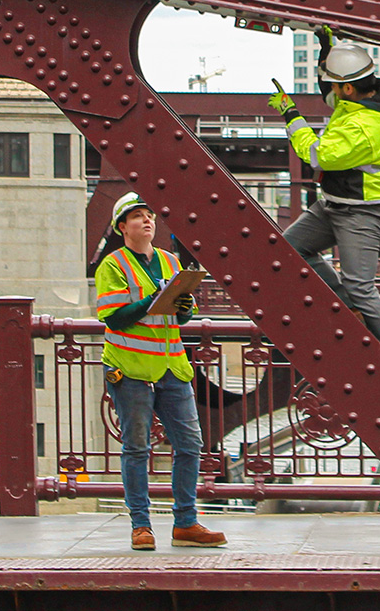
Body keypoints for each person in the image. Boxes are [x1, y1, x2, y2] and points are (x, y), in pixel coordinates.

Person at [268, 29, 380, 371]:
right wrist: (327, 50)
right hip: (335, 202)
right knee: (291, 249)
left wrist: (291, 115)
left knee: (361, 286)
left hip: (364, 211)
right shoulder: (367, 97)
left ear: (349, 88)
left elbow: (317, 156)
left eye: (336, 85)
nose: (331, 92)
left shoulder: (363, 127)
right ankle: (346, 303)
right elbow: (331, 95)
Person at [93, 192, 227, 551]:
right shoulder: (112, 265)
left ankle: (185, 522)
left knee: (190, 444)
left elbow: (183, 315)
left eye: (149, 215)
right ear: (123, 227)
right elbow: (113, 316)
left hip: (171, 365)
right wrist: (155, 299)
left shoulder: (171, 262)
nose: (147, 221)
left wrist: (183, 306)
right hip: (131, 367)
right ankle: (141, 525)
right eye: (137, 217)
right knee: (136, 447)